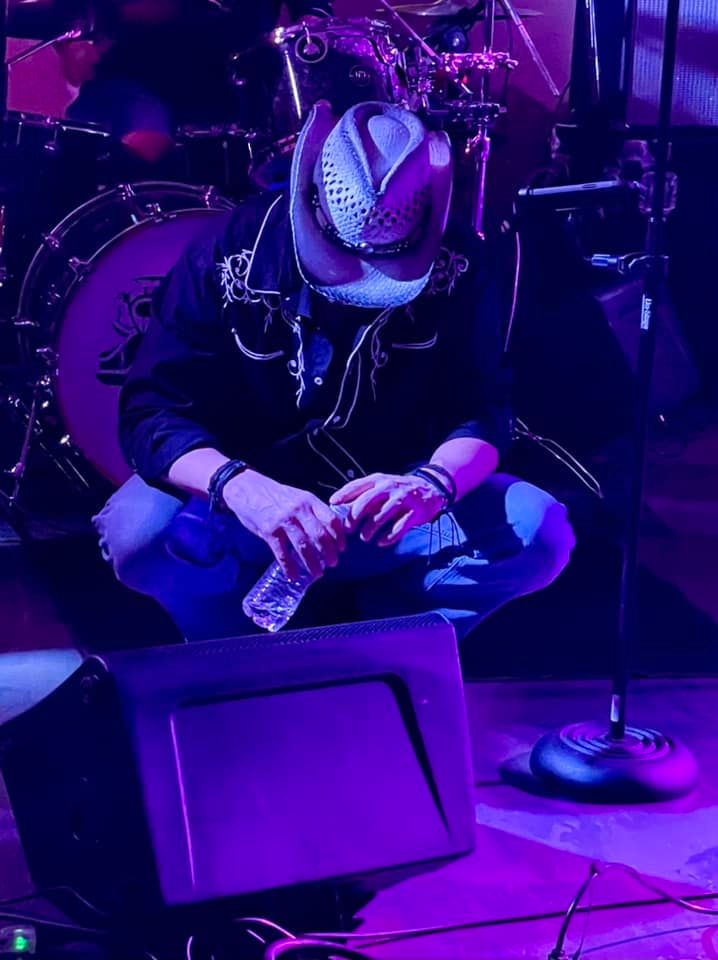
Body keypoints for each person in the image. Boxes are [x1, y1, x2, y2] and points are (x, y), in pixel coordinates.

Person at [94, 99, 575, 642]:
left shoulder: (462, 263)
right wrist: (244, 490)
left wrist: (430, 485)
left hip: (388, 523)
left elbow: (484, 409)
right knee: (137, 532)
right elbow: (151, 411)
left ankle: (385, 636)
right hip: (248, 518)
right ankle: (231, 648)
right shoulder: (230, 247)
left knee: (539, 532)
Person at [57, 0, 331, 164]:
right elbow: (61, 15)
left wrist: (313, 25)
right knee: (146, 146)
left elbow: (313, 16)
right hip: (135, 80)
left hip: (245, 85)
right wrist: (70, 43)